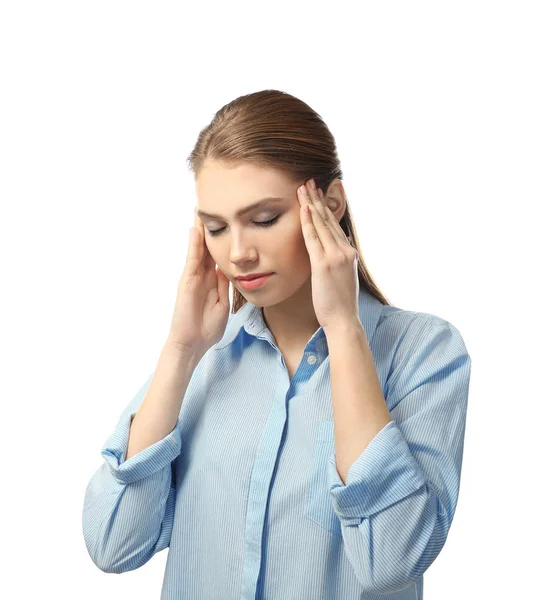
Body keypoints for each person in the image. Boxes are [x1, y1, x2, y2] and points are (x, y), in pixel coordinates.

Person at [82, 89, 472, 600]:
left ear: (330, 206)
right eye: (216, 228)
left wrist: (344, 330)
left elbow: (390, 560)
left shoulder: (424, 353)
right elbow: (112, 544)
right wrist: (180, 350)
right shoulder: (205, 359)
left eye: (264, 220)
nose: (238, 253)